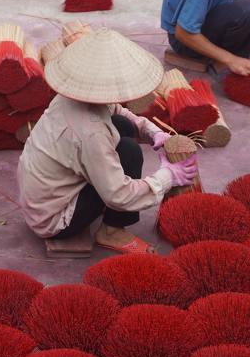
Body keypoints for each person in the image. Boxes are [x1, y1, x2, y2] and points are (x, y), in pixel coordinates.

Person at [17, 30, 199, 254]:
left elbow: (116, 110)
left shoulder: (72, 96)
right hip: (54, 218)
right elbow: (119, 195)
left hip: (43, 196)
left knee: (121, 124)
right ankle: (112, 231)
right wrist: (167, 177)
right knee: (129, 151)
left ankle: (106, 215)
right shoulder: (91, 133)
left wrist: (152, 132)